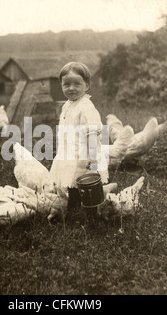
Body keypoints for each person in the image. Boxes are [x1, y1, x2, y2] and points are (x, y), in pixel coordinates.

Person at [49, 62, 109, 217]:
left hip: (84, 156)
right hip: (70, 154)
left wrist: (92, 157)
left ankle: (91, 217)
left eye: (77, 84)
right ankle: (74, 212)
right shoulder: (67, 105)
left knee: (87, 187)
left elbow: (92, 133)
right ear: (61, 85)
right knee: (73, 186)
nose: (71, 88)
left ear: (87, 86)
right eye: (66, 84)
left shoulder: (86, 107)